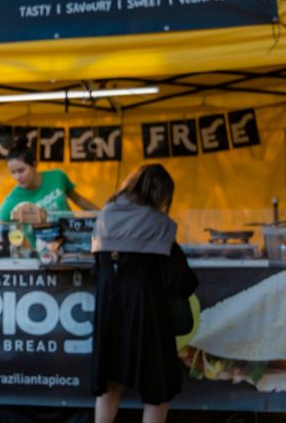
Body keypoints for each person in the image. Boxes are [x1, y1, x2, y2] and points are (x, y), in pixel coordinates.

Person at [90, 164, 198, 423]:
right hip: (149, 316)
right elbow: (182, 281)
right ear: (161, 193)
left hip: (108, 314)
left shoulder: (105, 215)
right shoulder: (160, 224)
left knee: (109, 386)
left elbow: (98, 270)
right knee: (157, 391)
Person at [0, 136, 98, 223]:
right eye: (13, 172)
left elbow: (77, 199)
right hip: (40, 248)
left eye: (21, 170)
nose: (17, 177)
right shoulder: (13, 198)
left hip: (71, 239)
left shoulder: (58, 176)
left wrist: (102, 215)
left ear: (34, 164)